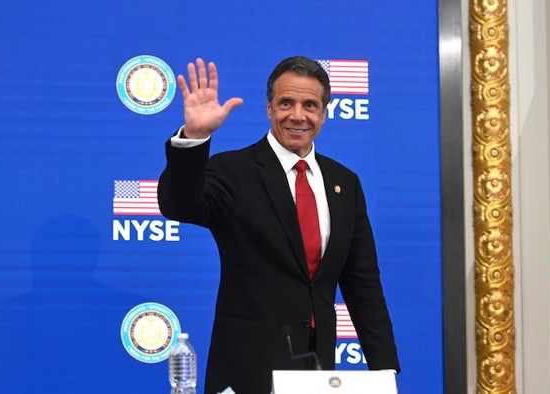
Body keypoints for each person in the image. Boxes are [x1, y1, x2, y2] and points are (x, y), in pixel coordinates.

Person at [158, 56, 400, 394]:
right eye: (286, 103)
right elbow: (178, 206)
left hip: (316, 373)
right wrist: (195, 137)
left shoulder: (345, 182)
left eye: (310, 105)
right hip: (245, 371)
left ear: (324, 113)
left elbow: (364, 287)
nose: (297, 115)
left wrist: (384, 370)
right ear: (269, 108)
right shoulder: (233, 171)